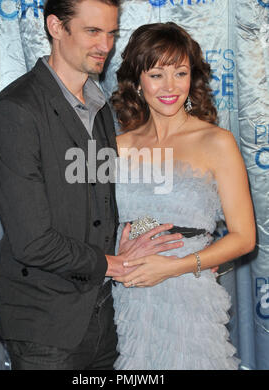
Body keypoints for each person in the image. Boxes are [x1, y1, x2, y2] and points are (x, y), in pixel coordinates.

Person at [0, 0, 182, 370]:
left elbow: (100, 204)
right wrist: (114, 263)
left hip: (103, 318)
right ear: (56, 26)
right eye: (92, 31)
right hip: (45, 326)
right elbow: (33, 242)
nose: (105, 45)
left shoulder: (101, 105)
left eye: (110, 32)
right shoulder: (17, 111)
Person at [110, 22, 256, 370]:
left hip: (188, 294)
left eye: (180, 72)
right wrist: (136, 244)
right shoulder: (119, 147)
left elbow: (244, 237)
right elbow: (138, 214)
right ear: (137, 80)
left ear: (193, 78)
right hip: (130, 295)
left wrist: (172, 267)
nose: (170, 86)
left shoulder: (216, 142)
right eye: (157, 74)